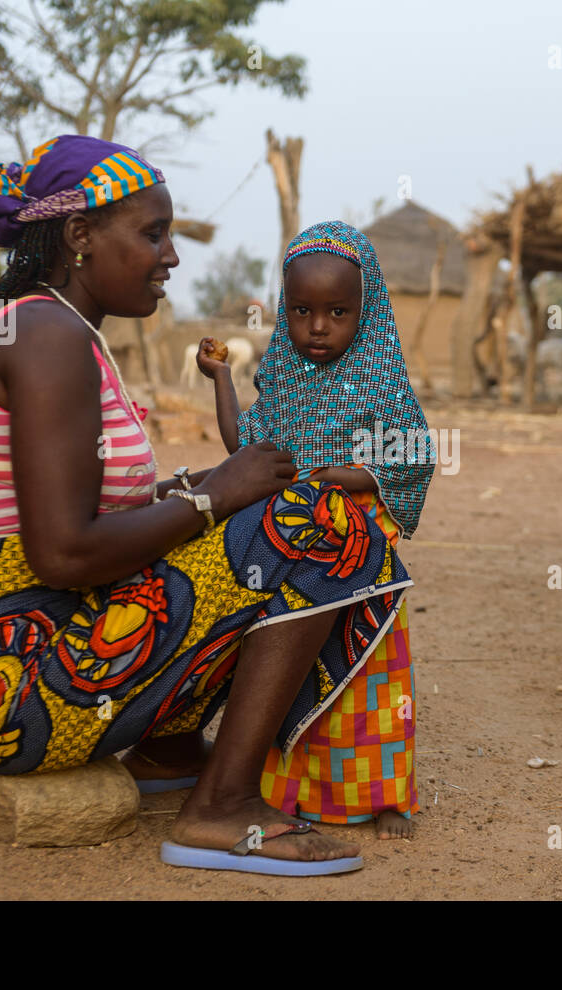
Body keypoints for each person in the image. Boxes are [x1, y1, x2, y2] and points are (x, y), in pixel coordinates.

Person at [0, 137, 412, 875]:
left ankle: (169, 746)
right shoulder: (49, 336)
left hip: (20, 669)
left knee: (269, 511)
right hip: (3, 698)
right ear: (81, 236)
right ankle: (221, 807)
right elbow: (62, 554)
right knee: (317, 521)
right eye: (153, 234)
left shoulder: (59, 329)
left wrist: (213, 493)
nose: (172, 256)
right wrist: (215, 498)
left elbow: (91, 520)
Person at [196, 220, 434, 839]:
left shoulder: (383, 384)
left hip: (363, 562)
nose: (318, 327)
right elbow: (245, 451)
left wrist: (355, 477)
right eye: (300, 311)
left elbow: (414, 455)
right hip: (295, 561)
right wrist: (222, 379)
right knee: (289, 673)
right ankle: (291, 792)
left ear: (368, 310)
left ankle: (385, 799)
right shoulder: (282, 382)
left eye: (336, 311)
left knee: (369, 683)